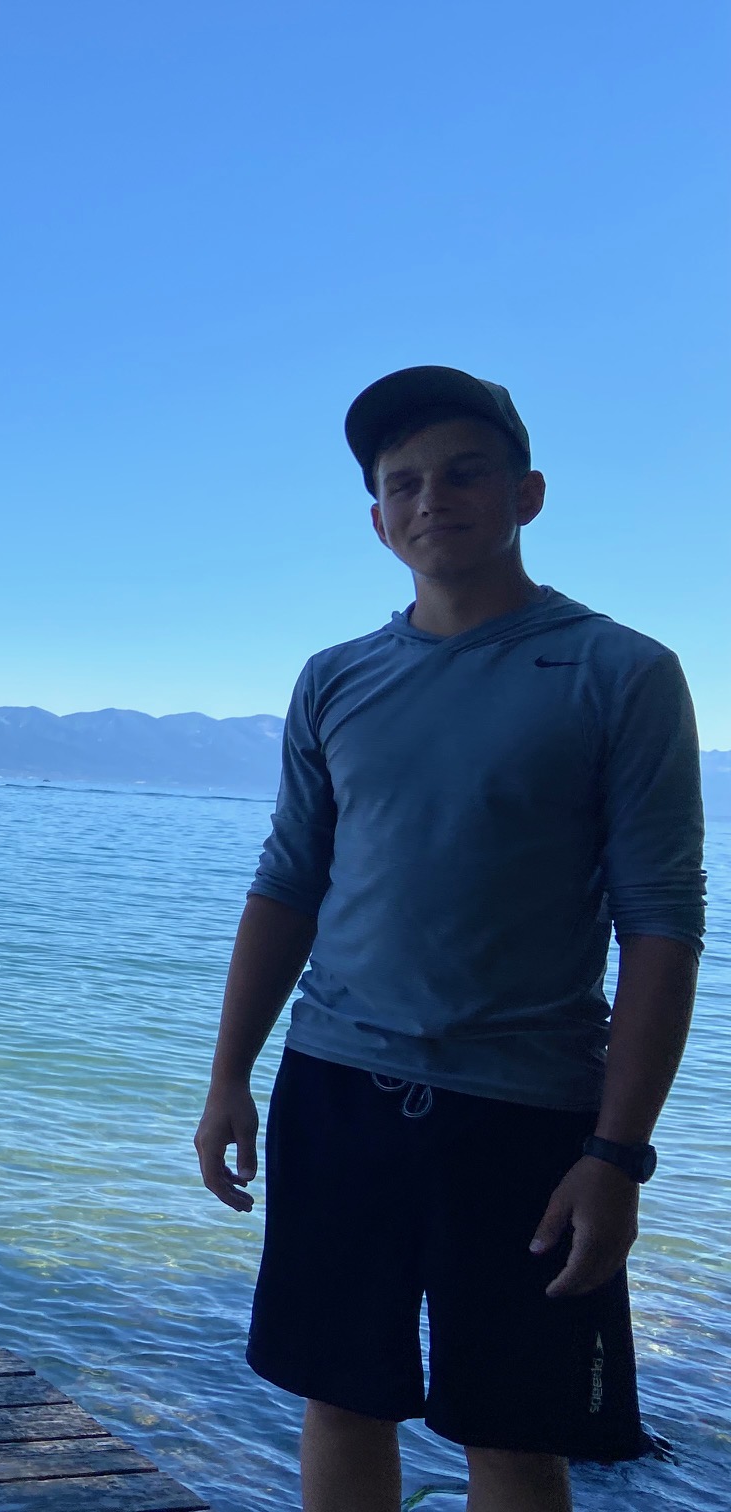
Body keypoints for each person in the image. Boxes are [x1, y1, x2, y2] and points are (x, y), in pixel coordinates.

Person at [193, 366, 705, 1512]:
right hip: (336, 1090)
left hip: (524, 1117)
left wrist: (617, 1156)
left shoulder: (622, 673)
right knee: (341, 1398)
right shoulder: (335, 680)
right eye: (403, 483)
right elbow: (288, 883)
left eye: (466, 472)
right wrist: (230, 1076)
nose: (434, 499)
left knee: (514, 1431)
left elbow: (661, 925)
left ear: (528, 493)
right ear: (378, 519)